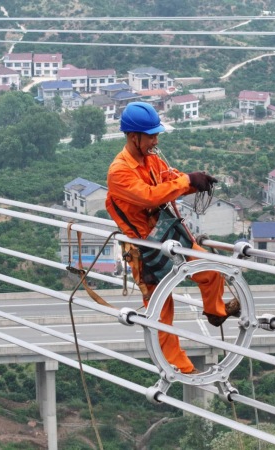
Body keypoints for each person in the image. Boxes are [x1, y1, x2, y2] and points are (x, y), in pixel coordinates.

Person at [105, 102, 240, 374]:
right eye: (151, 136)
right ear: (134, 137)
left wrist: (194, 182)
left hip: (168, 235)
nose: (156, 141)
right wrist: (186, 181)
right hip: (144, 246)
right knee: (161, 309)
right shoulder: (119, 171)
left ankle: (215, 311)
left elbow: (171, 181)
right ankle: (180, 367)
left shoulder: (152, 160)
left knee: (209, 268)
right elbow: (150, 196)